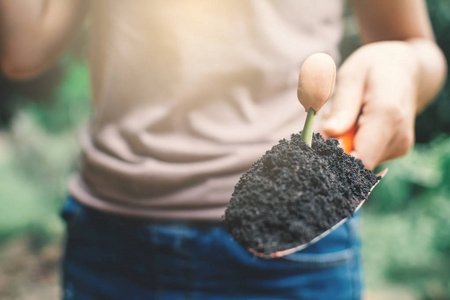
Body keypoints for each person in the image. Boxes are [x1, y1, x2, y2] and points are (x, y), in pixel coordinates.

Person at [1, 1, 446, 299]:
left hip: (292, 237)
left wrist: (404, 66)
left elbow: (416, 47)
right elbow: (23, 48)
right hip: (111, 239)